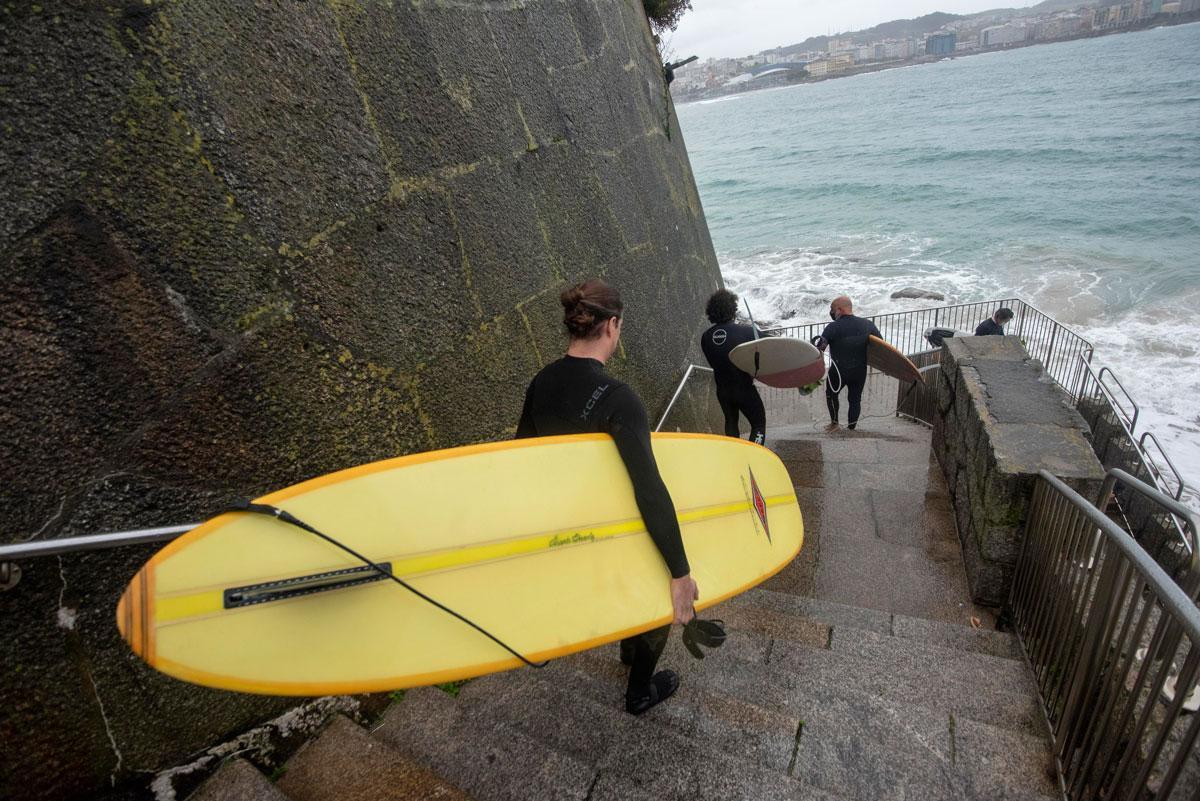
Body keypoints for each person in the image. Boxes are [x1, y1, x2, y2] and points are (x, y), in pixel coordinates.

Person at [515, 279, 699, 715]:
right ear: (612, 326)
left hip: (566, 528)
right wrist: (679, 571)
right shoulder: (619, 399)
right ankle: (638, 690)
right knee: (656, 590)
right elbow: (648, 487)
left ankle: (627, 650)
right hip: (612, 526)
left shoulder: (541, 382)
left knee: (627, 581)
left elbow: (519, 458)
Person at [699, 289, 766, 445]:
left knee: (730, 422)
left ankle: (734, 458)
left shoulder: (706, 337)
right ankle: (754, 458)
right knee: (758, 424)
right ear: (733, 309)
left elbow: (713, 361)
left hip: (723, 391)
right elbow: (774, 346)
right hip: (744, 389)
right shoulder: (746, 332)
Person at [816, 295, 882, 432]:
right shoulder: (868, 324)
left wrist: (814, 371)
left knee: (831, 394)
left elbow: (820, 348)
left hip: (838, 371)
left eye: (832, 309)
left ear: (839, 310)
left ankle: (834, 424)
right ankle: (852, 428)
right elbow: (881, 346)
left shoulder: (832, 327)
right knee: (855, 399)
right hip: (859, 371)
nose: (832, 312)